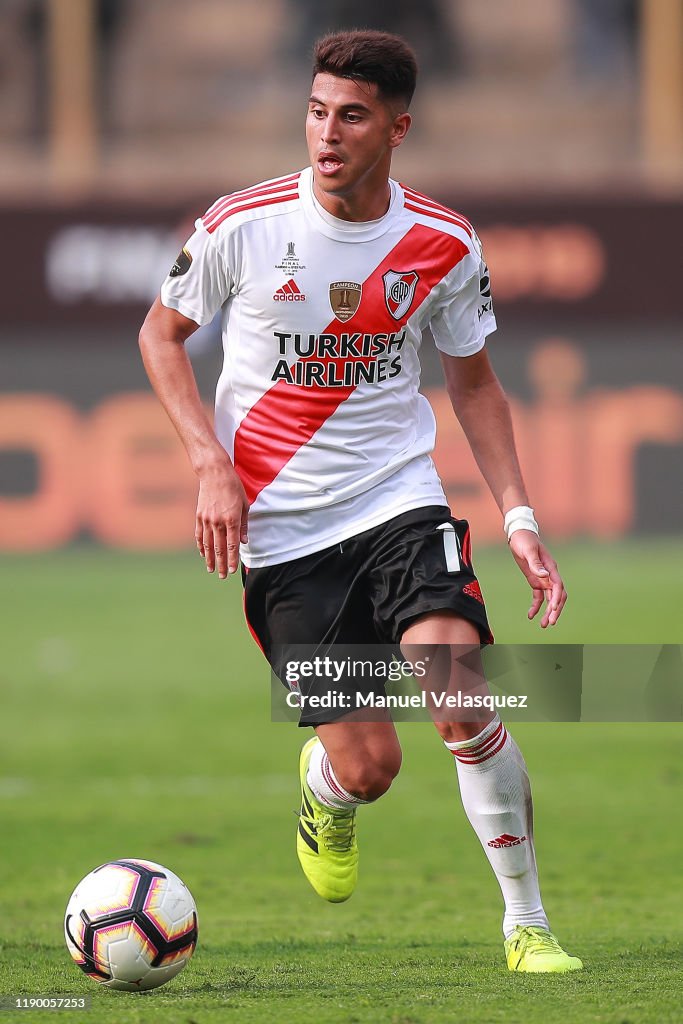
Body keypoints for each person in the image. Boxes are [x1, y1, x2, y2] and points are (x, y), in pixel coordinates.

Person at [139, 29, 582, 974]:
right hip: (283, 535)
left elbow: (475, 387)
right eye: (314, 111)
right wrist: (206, 462)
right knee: (370, 768)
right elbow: (159, 336)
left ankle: (526, 924)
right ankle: (328, 791)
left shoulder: (441, 242)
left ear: (397, 127)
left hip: (398, 504)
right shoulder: (242, 225)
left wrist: (519, 518)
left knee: (458, 683)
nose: (326, 133)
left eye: (350, 116)